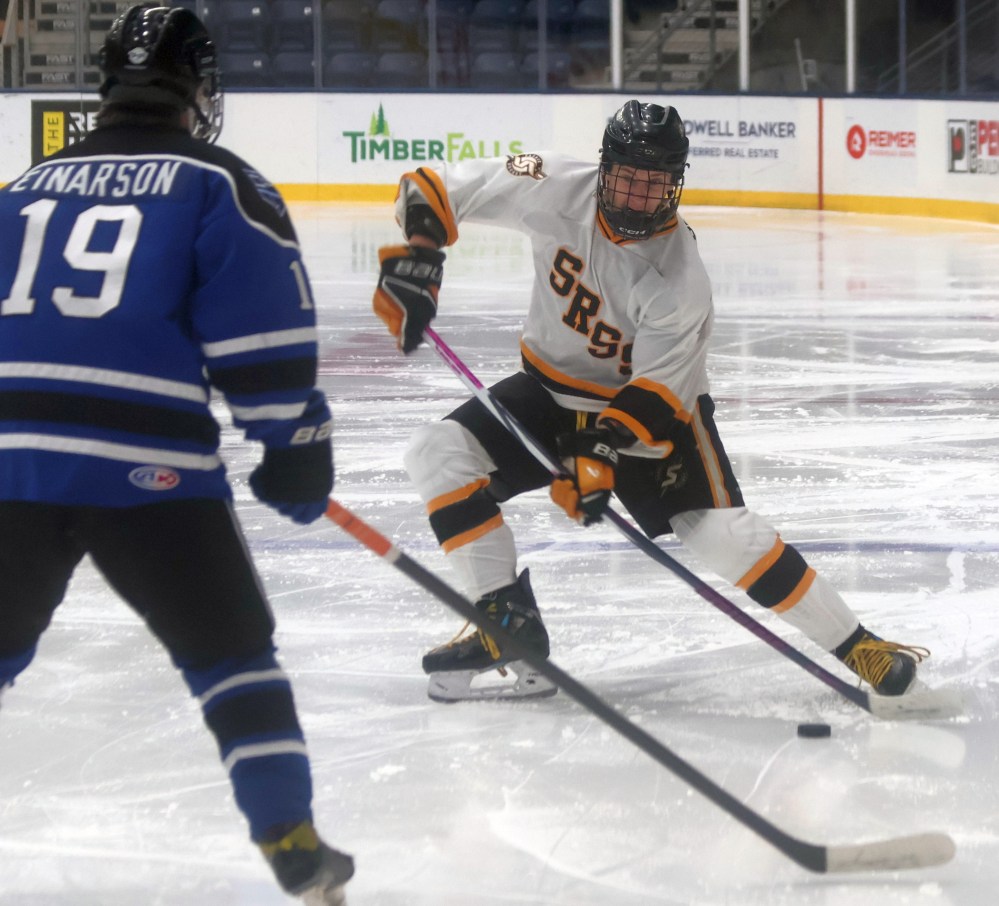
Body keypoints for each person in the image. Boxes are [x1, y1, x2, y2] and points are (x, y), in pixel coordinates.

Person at [372, 99, 930, 704]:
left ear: (676, 183)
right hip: (547, 390)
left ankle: (859, 645)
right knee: (437, 454)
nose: (639, 197)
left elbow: (660, 391)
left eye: (656, 183)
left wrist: (603, 449)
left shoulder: (679, 277)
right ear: (605, 168)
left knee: (722, 535)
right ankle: (504, 620)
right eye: (629, 179)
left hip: (649, 413)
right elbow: (430, 187)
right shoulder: (548, 180)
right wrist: (423, 252)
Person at [0, 5, 352, 904]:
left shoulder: (23, 186)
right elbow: (262, 345)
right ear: (199, 88)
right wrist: (292, 449)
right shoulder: (222, 185)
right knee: (233, 658)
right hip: (147, 468)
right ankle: (293, 844)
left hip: (9, 463)